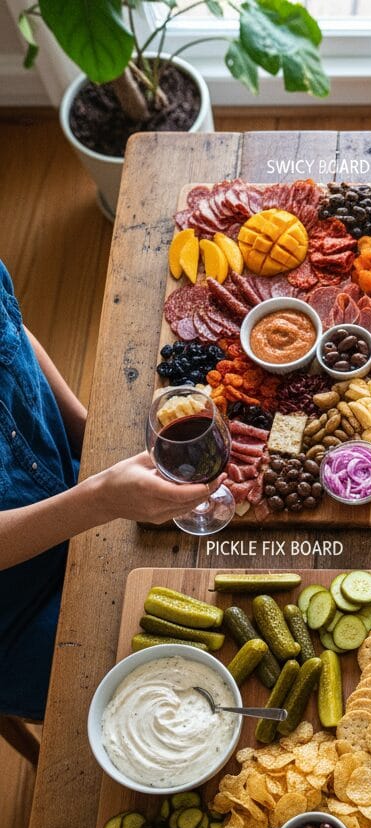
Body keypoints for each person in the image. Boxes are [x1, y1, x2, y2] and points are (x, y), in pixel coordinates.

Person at [0, 259, 214, 722]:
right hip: (14, 614)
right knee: (166, 702)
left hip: (76, 486)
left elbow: (11, 328)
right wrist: (99, 499)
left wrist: (89, 436)